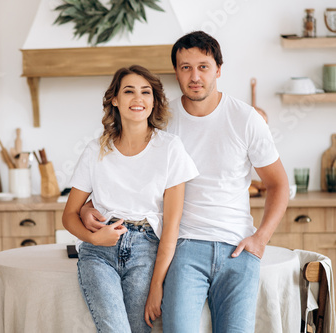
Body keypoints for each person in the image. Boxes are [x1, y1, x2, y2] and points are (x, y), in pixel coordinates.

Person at [81, 31, 290, 332]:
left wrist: (261, 239)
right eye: (185, 67)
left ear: (218, 70)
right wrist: (89, 205)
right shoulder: (161, 120)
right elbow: (124, 172)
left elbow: (278, 184)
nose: (195, 76)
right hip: (182, 248)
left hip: (236, 248)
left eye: (203, 66)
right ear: (176, 73)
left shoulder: (246, 119)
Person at [62, 64, 198, 333]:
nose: (138, 99)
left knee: (138, 329)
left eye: (146, 92)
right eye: (129, 91)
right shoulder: (95, 150)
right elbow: (69, 215)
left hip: (146, 249)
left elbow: (172, 225)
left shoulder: (170, 148)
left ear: (154, 100)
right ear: (115, 99)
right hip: (99, 252)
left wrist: (157, 285)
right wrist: (93, 238)